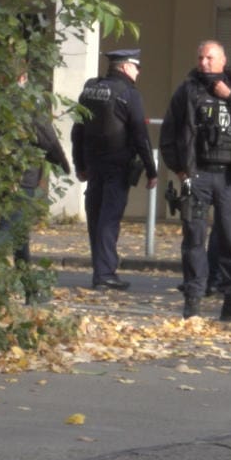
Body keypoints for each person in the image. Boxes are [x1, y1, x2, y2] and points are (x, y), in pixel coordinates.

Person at [159, 40, 231, 320]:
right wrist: (179, 170)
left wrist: (229, 96)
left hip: (230, 177)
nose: (204, 63)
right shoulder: (187, 90)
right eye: (201, 57)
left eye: (210, 58)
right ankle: (193, 299)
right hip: (198, 174)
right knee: (194, 238)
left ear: (223, 60)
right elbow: (168, 133)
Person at [71, 48, 157, 290]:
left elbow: (77, 130)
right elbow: (141, 135)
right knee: (109, 219)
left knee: (96, 216)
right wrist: (151, 170)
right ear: (127, 67)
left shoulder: (90, 88)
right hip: (117, 164)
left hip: (93, 164)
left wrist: (80, 164)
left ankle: (101, 271)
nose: (138, 73)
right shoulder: (129, 93)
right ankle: (105, 274)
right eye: (137, 68)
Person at [0, 73, 72, 301]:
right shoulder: (27, 100)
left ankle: (31, 290)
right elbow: (45, 135)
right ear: (23, 75)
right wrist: (62, 163)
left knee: (19, 236)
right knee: (7, 233)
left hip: (1, 176)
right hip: (22, 177)